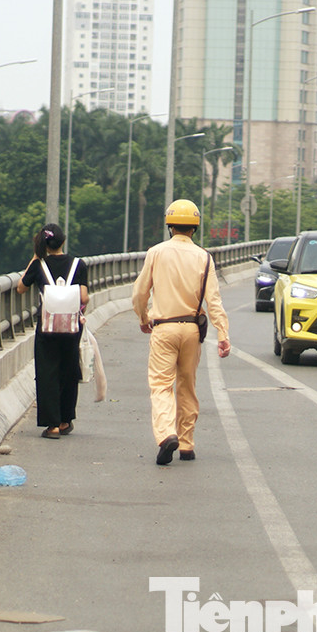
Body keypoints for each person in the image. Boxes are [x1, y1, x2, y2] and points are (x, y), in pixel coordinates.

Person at [132, 199, 231, 465]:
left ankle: (167, 435)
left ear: (169, 226)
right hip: (191, 330)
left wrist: (143, 317)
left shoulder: (156, 252)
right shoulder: (204, 257)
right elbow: (214, 300)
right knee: (187, 386)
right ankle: (186, 443)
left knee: (162, 386)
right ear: (195, 228)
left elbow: (140, 292)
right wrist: (223, 334)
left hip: (163, 328)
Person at [15, 223, 89, 439]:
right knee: (68, 371)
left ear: (43, 244)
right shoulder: (79, 264)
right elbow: (84, 297)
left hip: (47, 328)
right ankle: (66, 420)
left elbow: (21, 287)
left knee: (48, 373)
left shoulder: (39, 265)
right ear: (63, 241)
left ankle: (52, 426)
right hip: (71, 327)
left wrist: (35, 258)